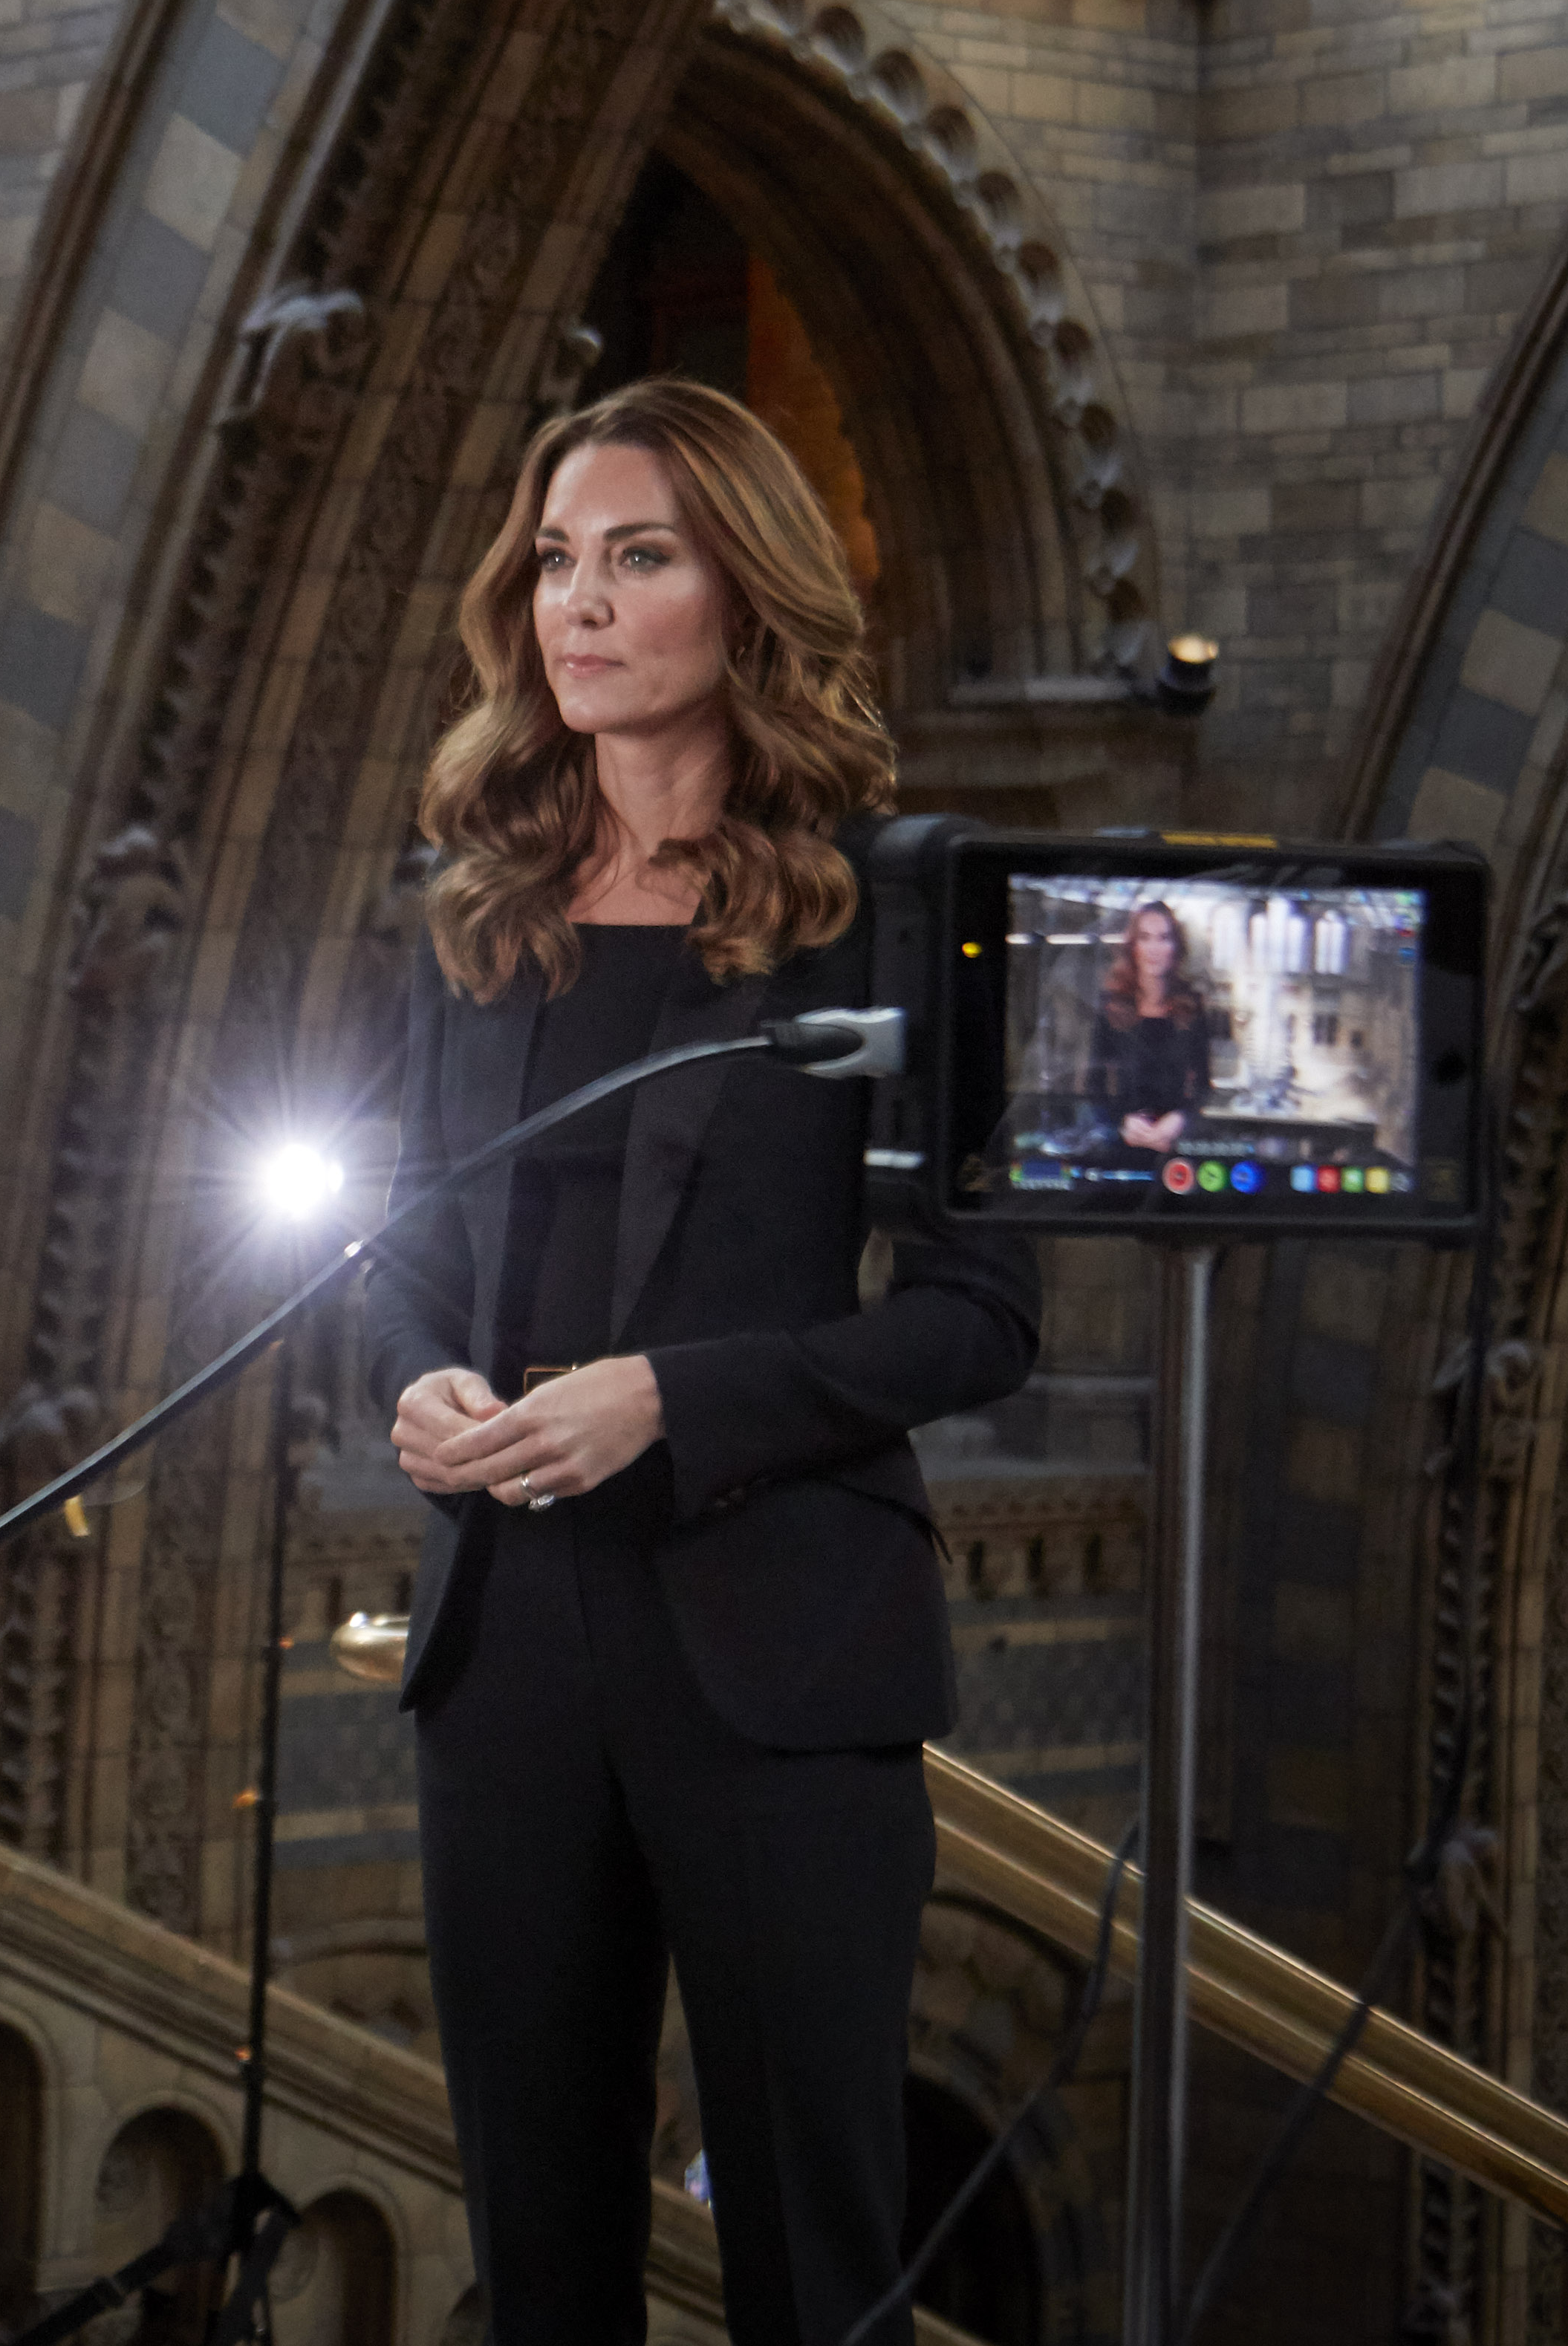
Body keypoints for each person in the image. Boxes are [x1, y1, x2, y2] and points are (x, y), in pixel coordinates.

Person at [364, 379, 1038, 2345]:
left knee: (810, 2273)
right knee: (541, 2250)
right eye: (558, 561)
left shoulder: (897, 911)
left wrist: (680, 1396)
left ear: (745, 592)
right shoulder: (481, 913)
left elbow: (979, 1312)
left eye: (638, 557)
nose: (579, 603)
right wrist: (412, 1377)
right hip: (507, 1647)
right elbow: (399, 1248)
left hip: (780, 1648)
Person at [1090, 898, 1225, 1151]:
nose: (1154, 948)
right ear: (1133, 946)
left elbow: (1204, 1086)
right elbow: (1093, 1086)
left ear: (1176, 947)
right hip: (1123, 1144)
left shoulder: (1191, 1007)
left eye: (1163, 938)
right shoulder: (1111, 1007)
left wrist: (1181, 1119)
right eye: (1145, 937)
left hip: (1176, 1144)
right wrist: (1122, 1122)